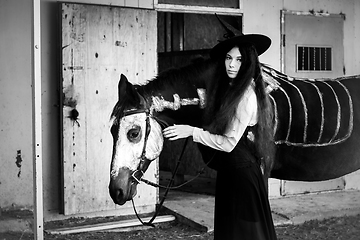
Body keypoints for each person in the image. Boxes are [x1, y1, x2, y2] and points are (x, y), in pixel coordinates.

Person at [163, 16, 277, 240]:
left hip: (242, 176)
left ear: (248, 63)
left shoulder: (245, 96)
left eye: (238, 60)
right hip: (231, 173)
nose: (231, 65)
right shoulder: (233, 90)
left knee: (244, 233)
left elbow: (228, 143)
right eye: (228, 58)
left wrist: (191, 131)